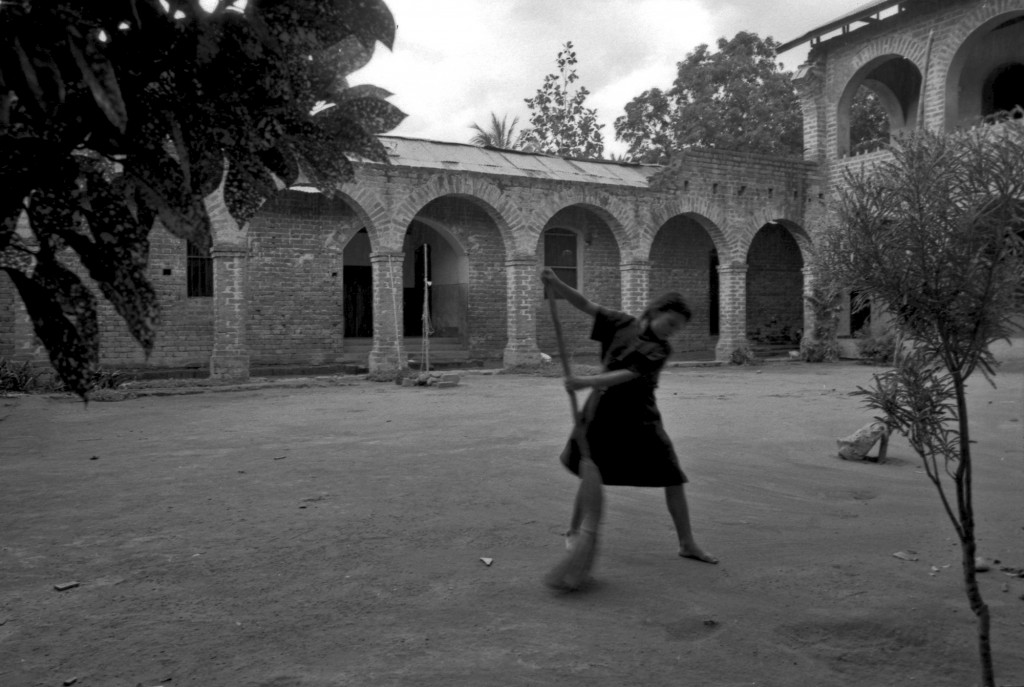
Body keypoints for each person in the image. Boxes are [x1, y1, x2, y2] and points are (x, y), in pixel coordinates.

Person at [540, 267, 717, 564]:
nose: (670, 331)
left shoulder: (660, 349)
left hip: (640, 417)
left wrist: (586, 382)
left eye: (676, 329)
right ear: (657, 310)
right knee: (590, 471)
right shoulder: (621, 323)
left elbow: (628, 374)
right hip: (601, 412)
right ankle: (573, 532)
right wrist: (557, 284)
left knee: (672, 476)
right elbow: (585, 304)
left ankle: (687, 542)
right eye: (670, 323)